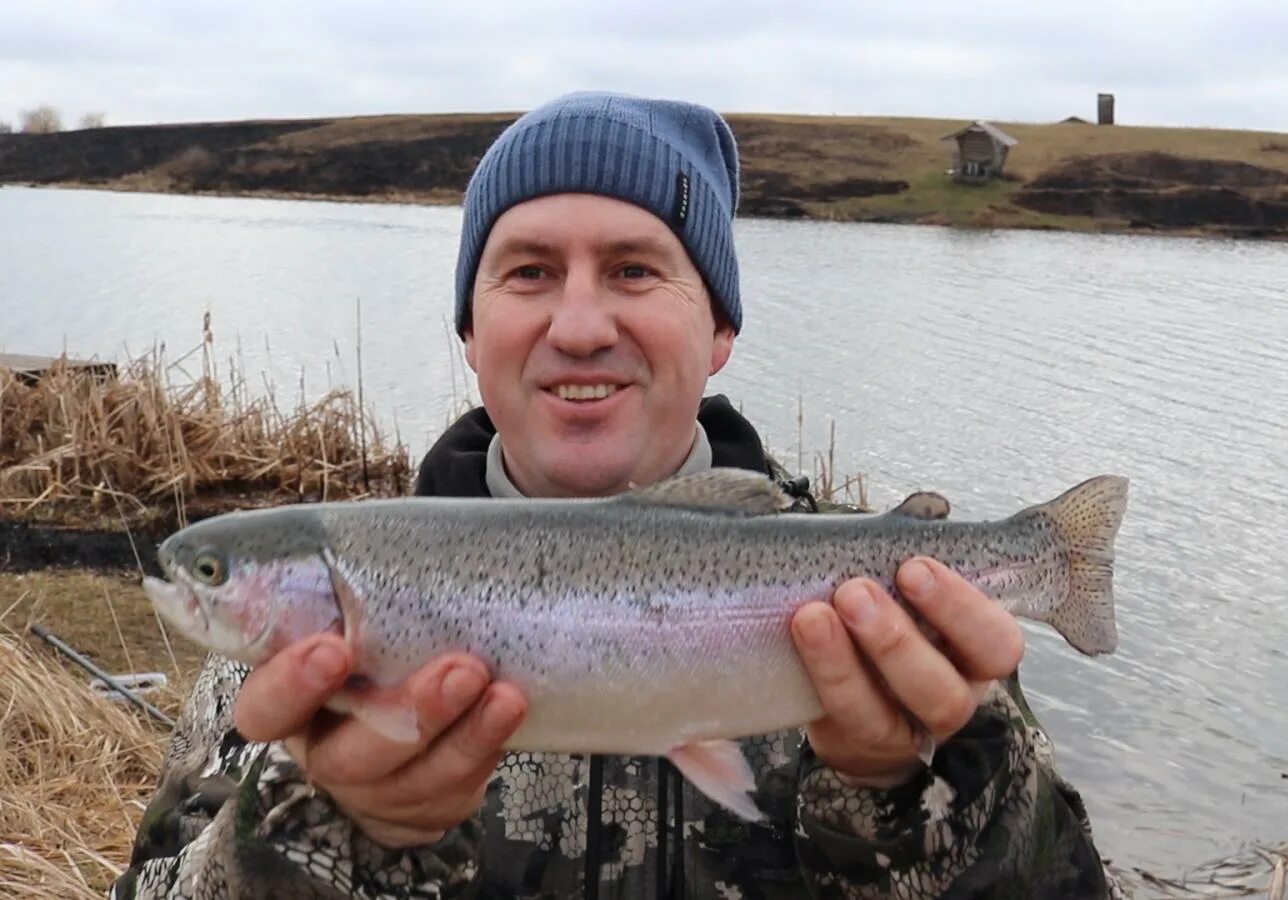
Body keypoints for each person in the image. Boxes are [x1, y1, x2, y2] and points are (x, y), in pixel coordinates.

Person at [112, 91, 1113, 899]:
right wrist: (322, 834)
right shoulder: (279, 689)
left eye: (635, 270)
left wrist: (924, 788)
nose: (580, 325)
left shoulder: (920, 633)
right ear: (471, 334)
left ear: (719, 330)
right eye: (528, 272)